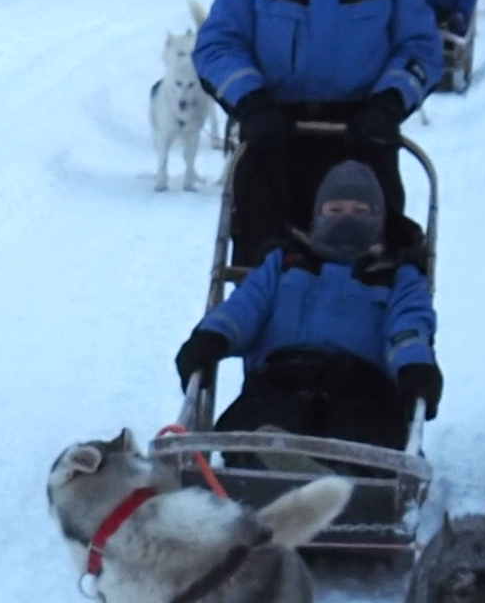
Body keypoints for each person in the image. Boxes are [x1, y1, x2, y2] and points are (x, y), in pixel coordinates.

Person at [193, 0, 443, 272]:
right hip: (273, 141)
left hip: (363, 141)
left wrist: (388, 104)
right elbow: (218, 45)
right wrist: (252, 103)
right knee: (263, 272)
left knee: (371, 276)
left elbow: (420, 48)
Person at [177, 161, 441, 451]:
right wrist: (212, 337)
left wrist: (415, 364)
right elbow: (245, 306)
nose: (347, 219)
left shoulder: (398, 273)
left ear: (379, 217)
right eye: (335, 210)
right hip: (281, 377)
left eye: (360, 211)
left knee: (363, 433)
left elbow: (408, 324)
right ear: (318, 214)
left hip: (364, 385)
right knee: (266, 420)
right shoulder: (285, 262)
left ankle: (340, 468)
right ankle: (273, 456)